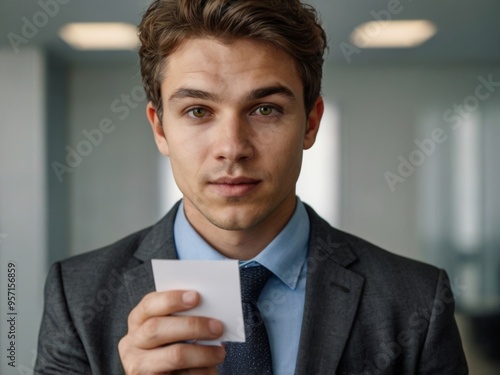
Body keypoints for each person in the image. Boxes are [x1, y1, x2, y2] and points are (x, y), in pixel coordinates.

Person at [35, 0, 468, 374]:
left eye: (265, 109)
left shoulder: (416, 301)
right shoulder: (76, 297)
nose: (232, 148)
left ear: (310, 123)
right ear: (160, 129)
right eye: (198, 111)